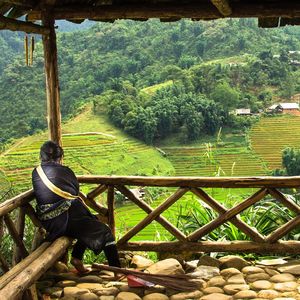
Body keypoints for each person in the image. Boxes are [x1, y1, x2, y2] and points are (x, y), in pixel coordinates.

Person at [32, 140, 121, 273]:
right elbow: (73, 191)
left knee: (89, 221)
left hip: (48, 222)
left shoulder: (36, 172)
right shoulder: (65, 171)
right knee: (105, 232)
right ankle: (117, 271)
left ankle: (77, 259)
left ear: (41, 156)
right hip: (64, 221)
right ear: (59, 157)